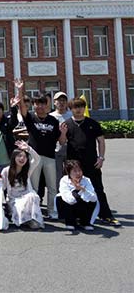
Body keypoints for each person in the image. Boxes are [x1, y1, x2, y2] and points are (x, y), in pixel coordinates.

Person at [61, 98, 120, 226]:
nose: (78, 109)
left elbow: (101, 141)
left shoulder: (93, 123)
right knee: (73, 189)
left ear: (84, 108)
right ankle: (76, 217)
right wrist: (63, 133)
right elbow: (61, 142)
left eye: (81, 107)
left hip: (91, 162)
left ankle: (106, 215)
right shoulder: (67, 124)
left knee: (98, 188)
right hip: (74, 165)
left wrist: (101, 158)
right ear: (71, 109)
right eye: (75, 107)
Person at [18, 79, 63, 219]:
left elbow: (61, 141)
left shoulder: (53, 120)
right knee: (33, 186)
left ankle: (52, 212)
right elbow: (22, 108)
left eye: (43, 104)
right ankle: (34, 212)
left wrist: (64, 133)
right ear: (34, 105)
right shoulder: (30, 118)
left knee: (52, 187)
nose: (40, 106)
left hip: (50, 157)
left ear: (47, 105)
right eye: (37, 104)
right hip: (33, 157)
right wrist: (20, 90)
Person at [1, 141, 44, 229]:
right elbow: (2, 187)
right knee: (23, 204)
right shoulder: (6, 171)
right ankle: (23, 219)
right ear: (14, 157)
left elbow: (37, 159)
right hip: (14, 200)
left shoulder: (27, 170)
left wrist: (28, 149)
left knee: (33, 196)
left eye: (25, 156)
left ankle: (31, 219)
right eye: (19, 156)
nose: (22, 158)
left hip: (26, 197)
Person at [56, 159, 98, 230]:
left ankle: (85, 222)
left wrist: (82, 190)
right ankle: (70, 222)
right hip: (70, 204)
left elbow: (93, 198)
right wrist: (76, 192)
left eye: (79, 170)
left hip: (82, 205)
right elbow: (69, 199)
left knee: (91, 200)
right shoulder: (64, 180)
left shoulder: (86, 180)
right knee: (60, 198)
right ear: (69, 173)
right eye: (75, 171)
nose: (78, 173)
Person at [50, 91, 73, 186]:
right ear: (54, 102)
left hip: (70, 149)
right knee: (57, 175)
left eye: (64, 100)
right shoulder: (51, 117)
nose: (62, 102)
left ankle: (71, 192)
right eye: (59, 100)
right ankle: (59, 193)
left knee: (71, 173)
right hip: (56, 150)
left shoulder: (71, 115)